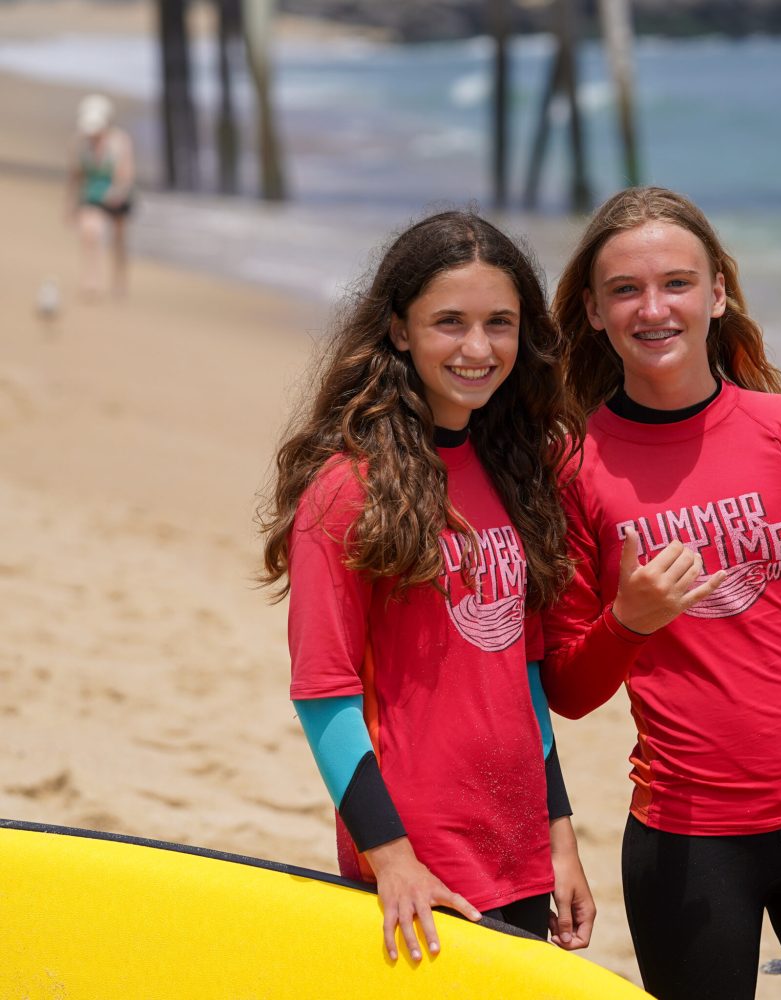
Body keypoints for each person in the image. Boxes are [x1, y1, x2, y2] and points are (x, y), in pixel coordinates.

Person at [541, 187, 781, 999]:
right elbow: (568, 689)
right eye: (625, 290)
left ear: (718, 294)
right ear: (594, 311)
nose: (654, 308)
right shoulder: (573, 465)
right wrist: (627, 623)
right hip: (685, 838)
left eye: (677, 283)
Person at [259, 211, 595, 962]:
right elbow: (323, 695)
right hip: (417, 863)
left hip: (516, 849)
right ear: (400, 330)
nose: (478, 347)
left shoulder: (514, 476)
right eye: (450, 322)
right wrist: (392, 857)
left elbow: (525, 679)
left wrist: (559, 837)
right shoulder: (348, 490)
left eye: (499, 323)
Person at [66, 93, 135, 298]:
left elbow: (126, 174)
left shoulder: (120, 142)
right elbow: (76, 176)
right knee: (89, 231)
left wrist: (116, 193)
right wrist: (71, 204)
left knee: (118, 241)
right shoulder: (79, 143)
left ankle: (119, 281)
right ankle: (91, 279)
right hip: (91, 194)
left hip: (117, 196)